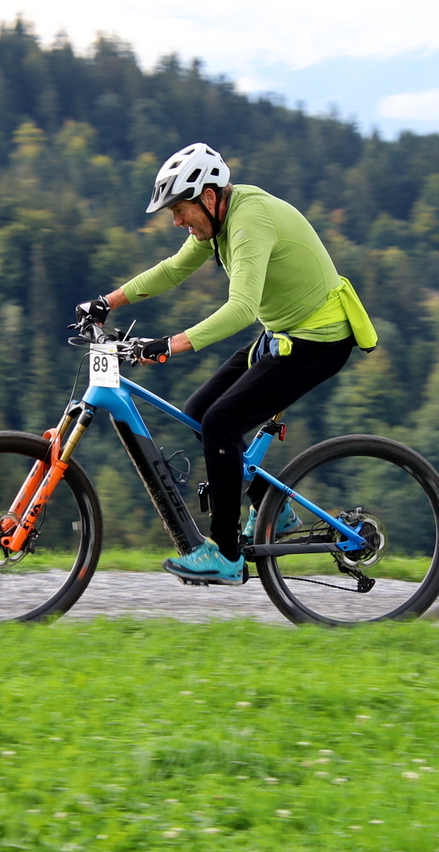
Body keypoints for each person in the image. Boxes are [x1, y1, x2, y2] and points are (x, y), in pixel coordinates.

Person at [76, 142, 379, 585]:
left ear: (209, 197)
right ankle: (275, 508)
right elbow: (174, 269)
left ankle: (226, 555)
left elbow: (241, 310)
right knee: (200, 412)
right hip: (283, 335)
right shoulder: (218, 222)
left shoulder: (248, 222)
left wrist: (169, 345)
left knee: (220, 423)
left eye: (180, 210)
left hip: (318, 340)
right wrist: (107, 302)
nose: (176, 221)